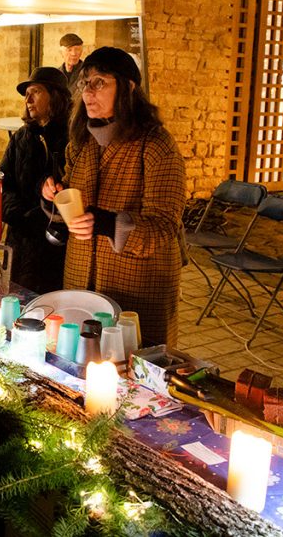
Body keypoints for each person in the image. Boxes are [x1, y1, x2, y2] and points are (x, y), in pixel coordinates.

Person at [41, 47, 185, 347]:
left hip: (137, 287)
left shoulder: (156, 145)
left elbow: (164, 227)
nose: (88, 92)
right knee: (80, 360)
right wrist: (53, 195)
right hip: (82, 280)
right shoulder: (81, 143)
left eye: (100, 82)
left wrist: (107, 224)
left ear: (128, 87)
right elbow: (70, 197)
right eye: (85, 83)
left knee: (132, 369)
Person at [0, 67, 72, 294]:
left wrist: (43, 215)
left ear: (56, 96)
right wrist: (20, 215)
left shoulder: (72, 138)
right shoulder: (21, 137)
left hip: (55, 245)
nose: (28, 100)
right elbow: (3, 182)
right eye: (26, 94)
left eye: (36, 92)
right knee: (16, 298)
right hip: (20, 239)